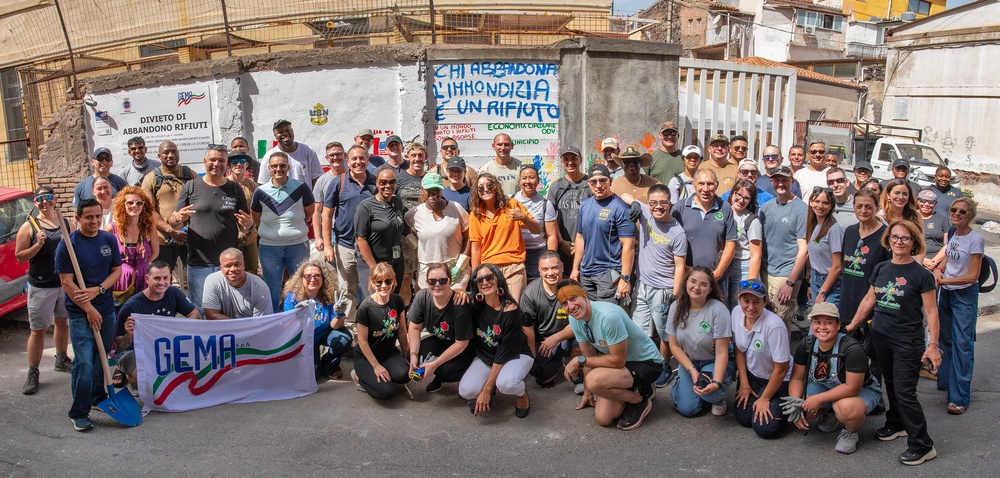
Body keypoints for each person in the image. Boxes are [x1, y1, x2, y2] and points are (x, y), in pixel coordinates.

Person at [846, 220, 941, 466]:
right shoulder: (881, 268)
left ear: (914, 243)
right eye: (895, 237)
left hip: (907, 341)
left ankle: (922, 444)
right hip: (880, 336)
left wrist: (933, 347)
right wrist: (852, 325)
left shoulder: (921, 275)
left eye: (905, 239)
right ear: (889, 240)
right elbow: (869, 300)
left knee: (905, 392)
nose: (899, 242)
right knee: (890, 383)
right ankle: (896, 423)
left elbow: (931, 313)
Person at [54, 198, 123, 432]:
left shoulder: (108, 239)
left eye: (97, 216)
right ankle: (78, 411)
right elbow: (66, 282)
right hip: (79, 312)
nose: (94, 221)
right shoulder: (68, 245)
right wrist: (89, 309)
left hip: (105, 307)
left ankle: (97, 397)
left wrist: (99, 289)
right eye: (88, 217)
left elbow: (117, 271)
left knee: (100, 358)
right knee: (83, 361)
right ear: (78, 219)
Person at [559, 280, 664, 430]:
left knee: (594, 380)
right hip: (623, 367)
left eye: (573, 299)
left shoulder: (608, 316)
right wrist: (588, 394)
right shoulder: (575, 319)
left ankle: (639, 400)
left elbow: (617, 361)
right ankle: (640, 387)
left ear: (584, 296)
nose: (571, 306)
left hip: (647, 363)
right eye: (564, 303)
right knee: (603, 418)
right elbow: (588, 355)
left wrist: (578, 360)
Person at [788, 302, 884, 455]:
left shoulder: (852, 349)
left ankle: (850, 431)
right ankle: (830, 412)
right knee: (802, 408)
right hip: (824, 386)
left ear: (838, 325)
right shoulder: (806, 344)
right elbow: (797, 379)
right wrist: (795, 404)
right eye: (817, 322)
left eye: (828, 322)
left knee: (846, 408)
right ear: (811, 323)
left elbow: (852, 387)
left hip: (860, 390)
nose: (822, 327)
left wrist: (819, 399)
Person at [169, 145, 254, 310]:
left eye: (221, 160)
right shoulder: (191, 187)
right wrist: (178, 218)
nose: (217, 164)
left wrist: (248, 225)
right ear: (205, 161)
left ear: (226, 163)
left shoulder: (234, 188)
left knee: (229, 309)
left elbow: (244, 226)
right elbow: (175, 222)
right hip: (199, 263)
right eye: (213, 160)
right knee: (200, 310)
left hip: (228, 265)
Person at [620, 184, 686, 388]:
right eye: (653, 203)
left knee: (664, 332)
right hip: (642, 285)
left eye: (663, 203)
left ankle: (665, 366)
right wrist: (634, 204)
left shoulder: (678, 232)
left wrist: (675, 295)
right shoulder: (645, 213)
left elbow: (680, 266)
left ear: (670, 204)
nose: (658, 207)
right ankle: (643, 364)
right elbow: (623, 193)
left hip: (664, 289)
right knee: (639, 328)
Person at [15, 187, 73, 395]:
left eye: (48, 197)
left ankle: (61, 358)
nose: (44, 202)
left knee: (62, 322)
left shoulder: (67, 223)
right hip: (41, 286)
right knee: (38, 331)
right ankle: (33, 372)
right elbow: (20, 256)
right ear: (35, 202)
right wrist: (38, 244)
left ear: (55, 199)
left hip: (64, 284)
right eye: (40, 199)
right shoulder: (29, 227)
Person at [459, 264, 533, 417]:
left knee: (506, 384)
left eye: (489, 278)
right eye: (480, 280)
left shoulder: (510, 310)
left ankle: (521, 393)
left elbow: (503, 354)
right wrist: (458, 292)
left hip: (515, 355)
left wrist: (486, 389)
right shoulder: (474, 305)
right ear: (476, 285)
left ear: (498, 279)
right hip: (488, 357)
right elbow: (449, 296)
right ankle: (491, 386)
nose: (485, 282)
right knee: (466, 391)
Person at [114, 260, 200, 390]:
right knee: (144, 378)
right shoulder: (130, 307)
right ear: (147, 279)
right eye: (157, 278)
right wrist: (129, 335)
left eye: (165, 278)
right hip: (135, 350)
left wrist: (177, 330)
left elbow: (195, 315)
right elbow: (119, 347)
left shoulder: (173, 293)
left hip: (165, 347)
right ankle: (131, 378)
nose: (162, 282)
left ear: (170, 278)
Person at [933, 197, 983, 415]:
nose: (957, 214)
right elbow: (949, 260)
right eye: (953, 210)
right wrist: (938, 269)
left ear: (970, 215)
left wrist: (945, 281)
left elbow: (972, 276)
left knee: (962, 344)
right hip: (947, 293)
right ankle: (945, 381)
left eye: (962, 212)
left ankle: (959, 396)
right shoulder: (953, 233)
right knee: (945, 339)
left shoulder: (976, 239)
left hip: (964, 294)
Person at [839, 189, 890, 394]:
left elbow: (886, 276)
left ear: (877, 207)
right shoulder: (850, 231)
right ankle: (854, 394)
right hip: (848, 301)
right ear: (853, 207)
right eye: (859, 206)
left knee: (871, 357)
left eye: (869, 206)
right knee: (850, 355)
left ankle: (874, 399)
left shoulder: (885, 236)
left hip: (871, 307)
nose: (863, 210)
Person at [251, 152, 315, 312]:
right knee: (271, 287)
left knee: (300, 285)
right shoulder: (260, 191)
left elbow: (309, 212)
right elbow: (256, 218)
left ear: (288, 167)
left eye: (282, 166)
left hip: (298, 245)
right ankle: (273, 322)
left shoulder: (301, 188)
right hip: (269, 247)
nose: (278, 169)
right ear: (269, 169)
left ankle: (297, 320)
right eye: (274, 166)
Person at [666, 266, 734, 417]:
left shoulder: (718, 310)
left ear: (710, 289)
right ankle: (687, 385)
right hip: (689, 361)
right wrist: (691, 369)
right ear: (686, 282)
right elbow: (674, 345)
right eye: (693, 281)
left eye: (703, 285)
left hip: (713, 360)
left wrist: (716, 382)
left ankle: (717, 397)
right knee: (687, 410)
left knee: (710, 393)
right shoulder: (675, 307)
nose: (697, 287)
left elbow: (722, 352)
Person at [322, 145, 377, 319]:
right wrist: (328, 245)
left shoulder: (376, 182)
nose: (358, 162)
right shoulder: (338, 182)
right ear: (348, 161)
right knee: (347, 289)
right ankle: (349, 327)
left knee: (371, 288)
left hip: (370, 246)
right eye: (354, 159)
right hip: (345, 245)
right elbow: (327, 215)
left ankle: (369, 325)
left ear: (368, 160)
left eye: (362, 158)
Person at [731, 279, 791, 439]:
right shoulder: (736, 313)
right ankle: (764, 399)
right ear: (739, 299)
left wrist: (765, 398)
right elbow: (739, 349)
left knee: (765, 428)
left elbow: (782, 368)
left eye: (757, 302)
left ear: (765, 302)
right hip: (753, 376)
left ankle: (786, 403)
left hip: (778, 379)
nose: (751, 307)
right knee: (744, 419)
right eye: (746, 301)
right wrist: (744, 383)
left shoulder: (774, 326)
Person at [469, 172, 539, 302]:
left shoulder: (512, 205)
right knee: (492, 309)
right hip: (488, 268)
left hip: (514, 266)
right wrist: (476, 275)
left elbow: (536, 230)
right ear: (477, 192)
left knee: (513, 307)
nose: (486, 189)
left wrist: (523, 218)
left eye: (489, 185)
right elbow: (475, 248)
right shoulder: (476, 214)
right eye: (481, 188)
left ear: (496, 186)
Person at [571, 163, 636, 304]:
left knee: (606, 320)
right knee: (589, 318)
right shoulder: (585, 205)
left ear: (610, 181)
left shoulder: (620, 208)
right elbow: (580, 237)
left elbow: (628, 246)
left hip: (608, 275)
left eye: (602, 180)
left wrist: (625, 278)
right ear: (589, 183)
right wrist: (575, 268)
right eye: (594, 181)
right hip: (586, 274)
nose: (598, 185)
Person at [405, 263, 475, 393]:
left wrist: (435, 364)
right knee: (413, 357)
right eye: (432, 281)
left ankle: (444, 377)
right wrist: (413, 355)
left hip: (463, 346)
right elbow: (414, 328)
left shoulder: (459, 303)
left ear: (450, 281)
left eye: (442, 281)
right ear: (426, 282)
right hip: (440, 340)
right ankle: (435, 368)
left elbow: (461, 343)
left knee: (445, 370)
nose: (437, 284)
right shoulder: (422, 297)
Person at [672, 169, 738, 301]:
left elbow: (730, 244)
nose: (706, 189)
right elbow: (671, 244)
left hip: (716, 280)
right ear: (694, 185)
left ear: (717, 185)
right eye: (701, 184)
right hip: (687, 278)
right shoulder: (679, 208)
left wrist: (718, 273)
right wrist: (686, 269)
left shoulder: (725, 208)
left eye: (710, 184)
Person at [282, 259, 352, 380]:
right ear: (301, 279)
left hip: (324, 332)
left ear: (323, 278)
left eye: (317, 276)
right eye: (308, 276)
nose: (313, 279)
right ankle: (316, 363)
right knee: (313, 376)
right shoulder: (292, 298)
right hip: (305, 340)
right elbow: (287, 328)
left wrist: (339, 314)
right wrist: (297, 315)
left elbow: (335, 326)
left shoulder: (330, 295)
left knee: (344, 339)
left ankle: (329, 365)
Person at [352, 262, 411, 400]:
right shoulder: (365, 308)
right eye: (378, 282)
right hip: (366, 357)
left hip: (388, 352)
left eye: (387, 281)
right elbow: (363, 341)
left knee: (404, 376)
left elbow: (402, 331)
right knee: (386, 392)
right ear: (372, 284)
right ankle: (358, 376)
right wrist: (376, 366)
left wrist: (405, 356)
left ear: (393, 282)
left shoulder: (398, 301)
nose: (383, 286)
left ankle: (386, 371)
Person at [758, 166, 808, 325]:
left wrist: (790, 282)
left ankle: (783, 351)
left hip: (786, 273)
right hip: (766, 270)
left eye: (785, 180)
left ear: (792, 182)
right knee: (764, 318)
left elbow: (804, 250)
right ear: (771, 181)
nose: (781, 184)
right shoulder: (766, 207)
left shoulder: (802, 209)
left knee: (779, 322)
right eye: (777, 180)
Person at [405, 172, 471, 291]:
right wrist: (416, 244)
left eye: (437, 189)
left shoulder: (456, 208)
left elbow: (469, 236)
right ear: (422, 190)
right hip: (427, 272)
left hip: (454, 269)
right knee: (429, 307)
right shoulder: (414, 213)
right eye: (429, 189)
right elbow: (406, 228)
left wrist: (460, 266)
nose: (433, 193)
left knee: (454, 305)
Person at [520, 251, 576, 388]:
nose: (550, 273)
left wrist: (556, 338)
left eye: (554, 268)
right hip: (542, 340)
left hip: (569, 335)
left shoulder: (573, 288)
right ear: (539, 270)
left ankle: (577, 371)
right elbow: (528, 329)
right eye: (545, 269)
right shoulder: (530, 293)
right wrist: (533, 358)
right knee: (544, 379)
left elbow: (580, 323)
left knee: (580, 345)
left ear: (562, 267)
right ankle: (557, 360)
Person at [141, 141, 194, 279]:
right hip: (163, 240)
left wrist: (185, 230)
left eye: (173, 151)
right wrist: (171, 230)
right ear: (159, 156)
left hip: (188, 237)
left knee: (196, 277)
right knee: (162, 279)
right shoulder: (150, 179)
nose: (170, 155)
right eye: (166, 153)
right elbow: (149, 210)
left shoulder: (190, 175)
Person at [355, 166, 408, 298]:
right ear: (377, 183)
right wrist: (374, 268)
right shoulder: (366, 207)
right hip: (373, 264)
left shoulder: (398, 203)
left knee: (392, 300)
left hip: (395, 263)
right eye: (383, 182)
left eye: (392, 182)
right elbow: (360, 239)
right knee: (375, 302)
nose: (387, 186)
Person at [105, 186, 158, 308]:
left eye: (139, 202)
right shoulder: (111, 229)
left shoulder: (149, 227)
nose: (135, 205)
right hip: (119, 278)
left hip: (143, 277)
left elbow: (155, 252)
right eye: (130, 202)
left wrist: (143, 265)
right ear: (122, 205)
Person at [547, 146, 593, 269]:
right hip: (565, 248)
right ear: (562, 162)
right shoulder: (556, 187)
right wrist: (561, 242)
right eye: (566, 159)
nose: (570, 162)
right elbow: (550, 219)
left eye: (574, 159)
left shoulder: (590, 184)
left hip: (589, 247)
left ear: (581, 160)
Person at [513, 164, 558, 280]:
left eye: (532, 178)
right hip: (515, 253)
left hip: (537, 253)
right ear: (519, 181)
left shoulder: (545, 204)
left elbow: (551, 235)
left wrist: (550, 260)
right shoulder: (511, 201)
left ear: (538, 181)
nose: (528, 181)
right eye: (524, 178)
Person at [202, 248, 273, 320]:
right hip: (222, 328)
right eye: (228, 266)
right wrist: (236, 327)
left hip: (251, 329)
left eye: (237, 264)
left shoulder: (259, 287)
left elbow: (262, 322)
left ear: (244, 265)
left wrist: (238, 328)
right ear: (221, 268)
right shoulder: (212, 281)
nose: (233, 269)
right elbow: (211, 315)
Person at [807, 187, 844, 306]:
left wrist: (823, 292)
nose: (820, 206)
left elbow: (837, 266)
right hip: (815, 279)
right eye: (817, 201)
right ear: (811, 202)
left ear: (831, 206)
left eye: (825, 203)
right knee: (816, 322)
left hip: (831, 284)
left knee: (825, 322)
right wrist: (811, 283)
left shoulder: (834, 229)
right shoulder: (814, 225)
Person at [257, 119, 323, 186]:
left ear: (292, 131)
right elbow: (263, 183)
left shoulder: (308, 151)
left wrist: (312, 196)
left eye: (287, 130)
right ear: (275, 136)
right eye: (280, 132)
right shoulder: (269, 157)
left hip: (304, 196)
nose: (285, 133)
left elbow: (317, 178)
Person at [311, 141, 347, 257]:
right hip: (330, 232)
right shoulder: (322, 181)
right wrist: (318, 237)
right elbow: (316, 211)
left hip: (351, 231)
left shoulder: (354, 177)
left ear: (344, 155)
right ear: (327, 158)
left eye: (338, 154)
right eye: (331, 155)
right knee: (332, 271)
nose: (335, 158)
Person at [226, 149, 260, 274]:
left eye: (242, 161)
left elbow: (258, 211)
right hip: (228, 236)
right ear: (229, 164)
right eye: (234, 161)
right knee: (231, 271)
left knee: (251, 271)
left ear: (247, 164)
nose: (238, 164)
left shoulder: (253, 186)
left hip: (249, 237)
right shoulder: (223, 184)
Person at [879, 179, 923, 250]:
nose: (901, 197)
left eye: (905, 194)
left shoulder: (915, 216)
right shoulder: (880, 218)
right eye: (897, 193)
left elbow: (921, 244)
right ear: (888, 195)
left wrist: (918, 261)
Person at [646, 121, 685, 186]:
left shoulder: (685, 158)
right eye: (666, 133)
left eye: (673, 133)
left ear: (678, 135)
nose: (669, 137)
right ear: (660, 135)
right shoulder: (650, 158)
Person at [917, 189, 948, 265]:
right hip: (914, 260)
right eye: (923, 200)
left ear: (935, 203)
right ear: (918, 201)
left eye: (931, 202)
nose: (926, 204)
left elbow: (947, 245)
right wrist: (922, 260)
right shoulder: (910, 217)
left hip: (936, 263)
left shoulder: (942, 219)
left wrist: (933, 262)